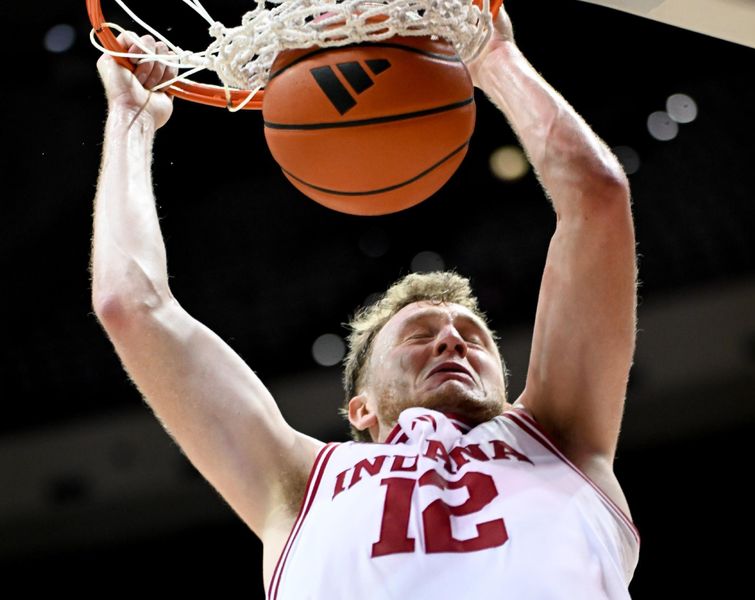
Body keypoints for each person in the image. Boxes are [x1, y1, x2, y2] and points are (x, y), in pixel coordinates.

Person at [92, 6, 639, 598]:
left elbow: (598, 197)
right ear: (361, 409)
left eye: (473, 337)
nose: (453, 338)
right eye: (420, 333)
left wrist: (493, 59)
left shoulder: (560, 436)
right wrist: (132, 119)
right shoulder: (298, 482)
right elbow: (130, 304)